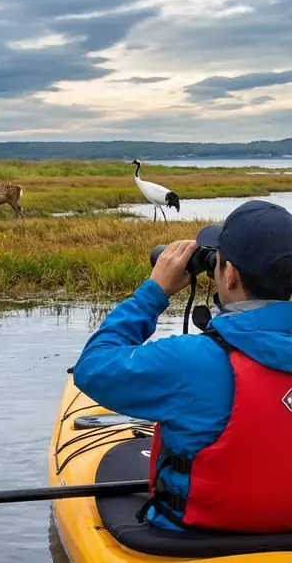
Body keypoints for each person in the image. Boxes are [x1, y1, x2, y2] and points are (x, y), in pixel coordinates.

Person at [72, 199, 292, 534]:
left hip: (193, 535)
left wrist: (153, 293)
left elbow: (92, 367)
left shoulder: (188, 360)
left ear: (229, 274)